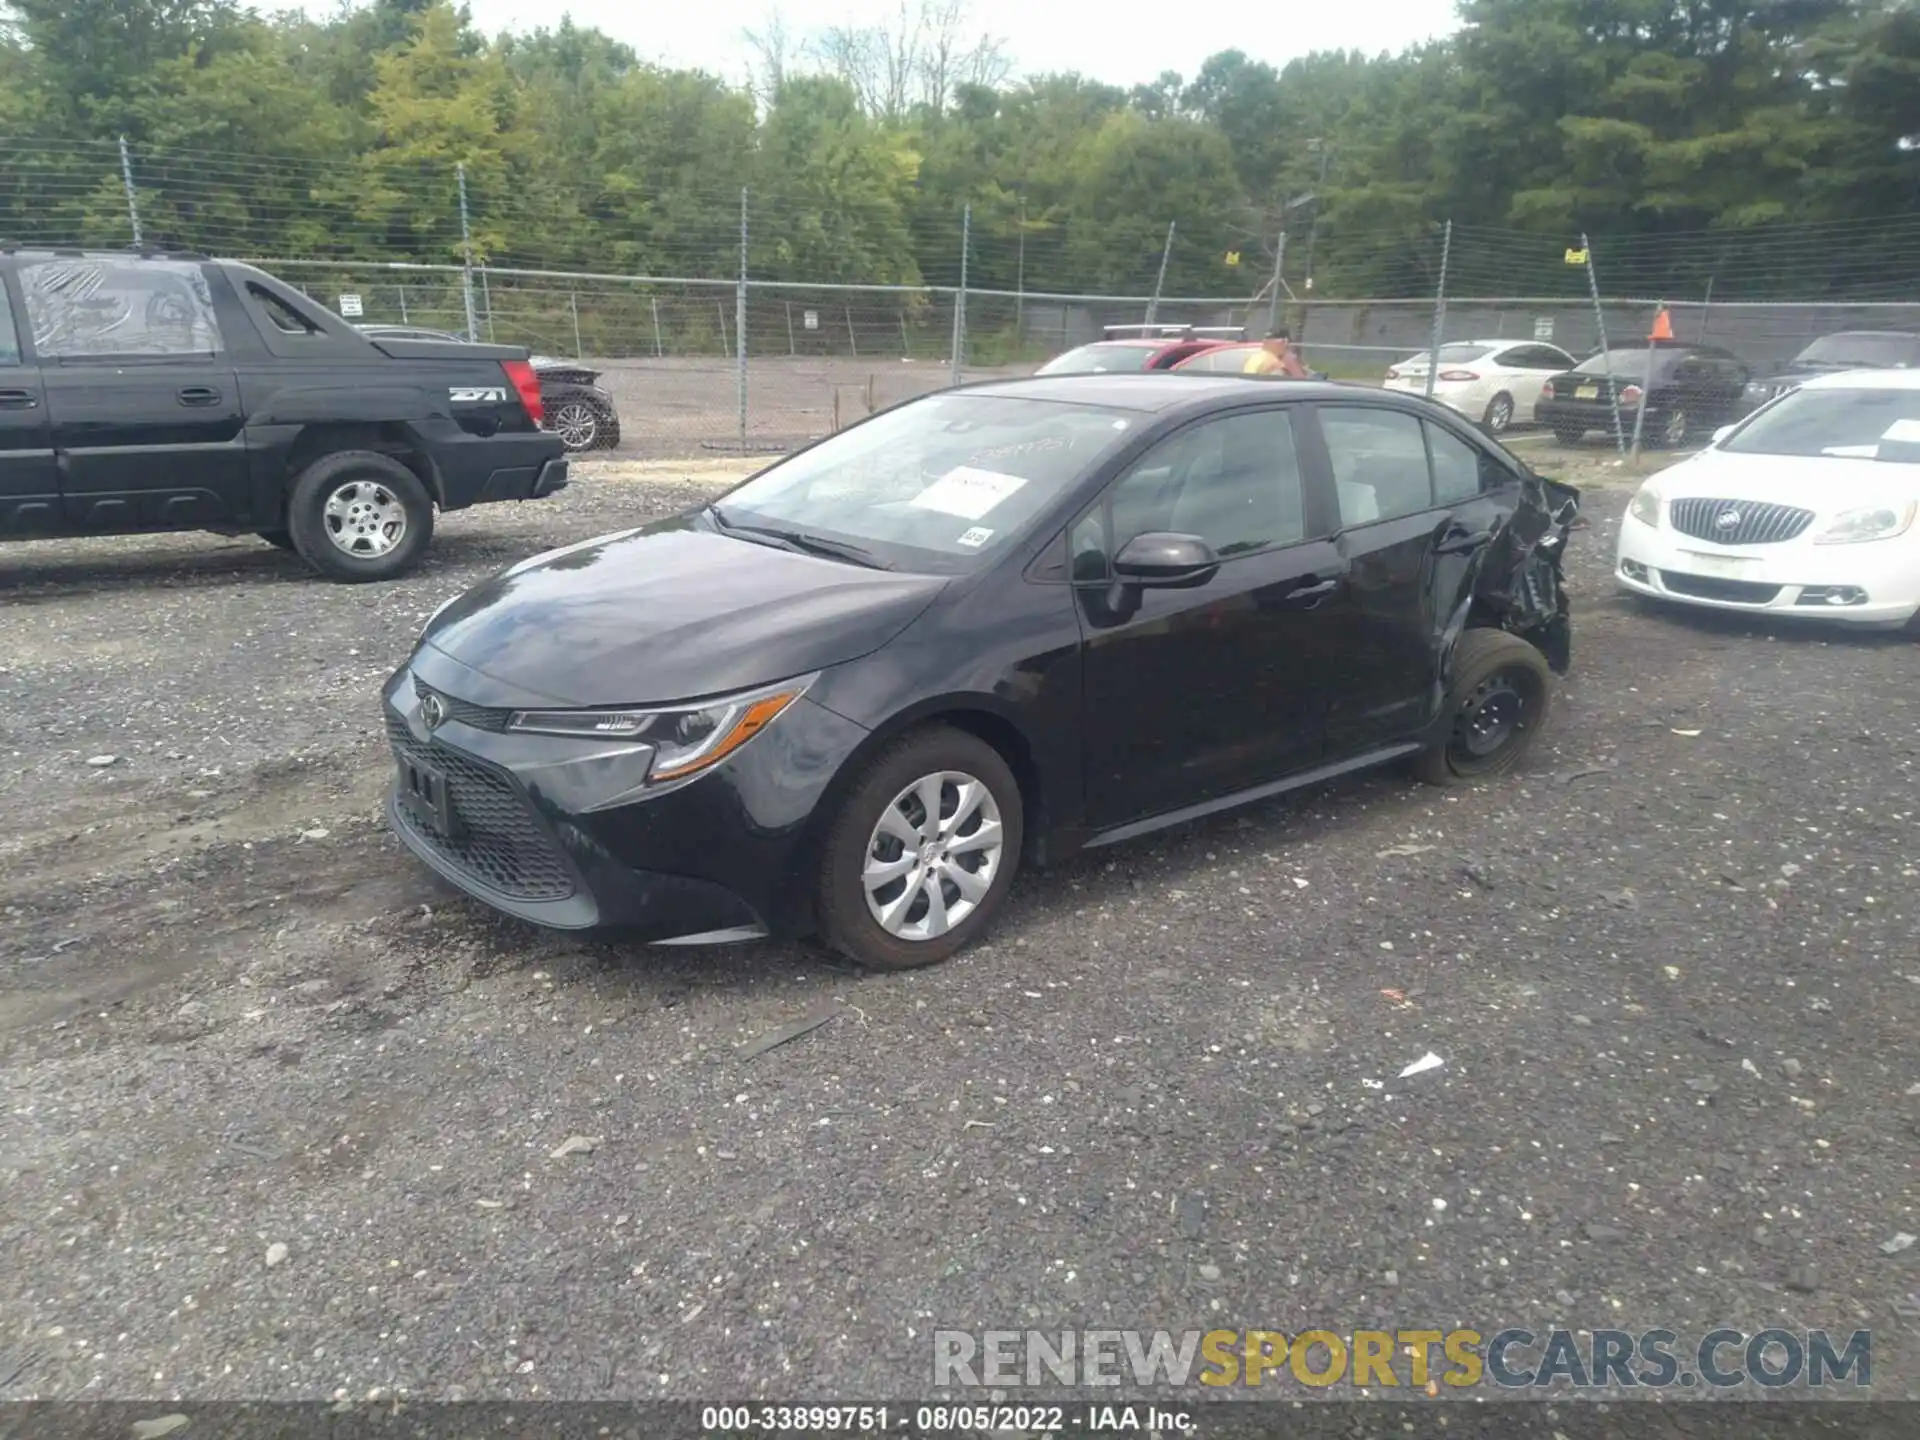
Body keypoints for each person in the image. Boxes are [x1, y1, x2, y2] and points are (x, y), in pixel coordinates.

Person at [1241, 326, 1313, 379]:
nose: (1288, 348)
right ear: (1284, 342)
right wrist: (1291, 360)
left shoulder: (1254, 358)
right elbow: (1300, 382)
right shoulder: (1275, 363)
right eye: (1288, 345)